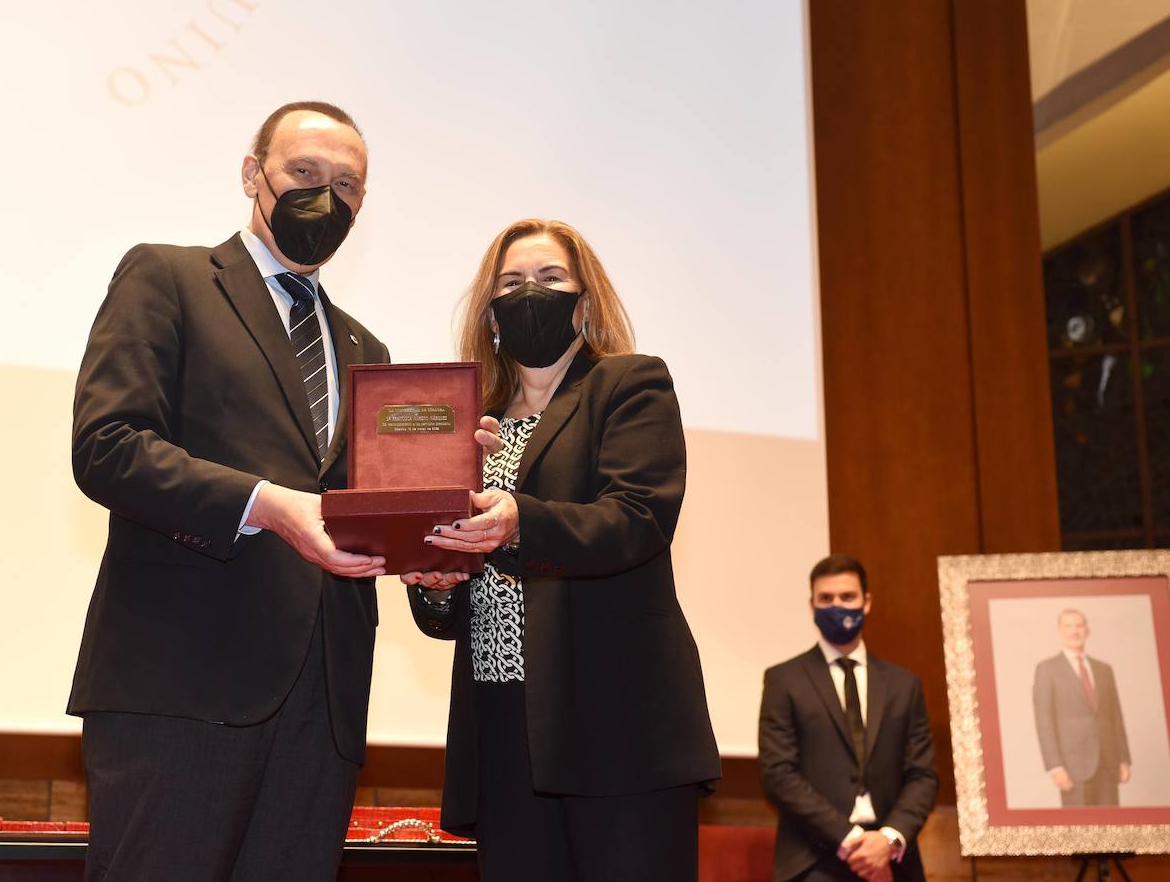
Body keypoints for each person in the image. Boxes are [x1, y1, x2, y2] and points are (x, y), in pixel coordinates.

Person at [68, 101, 392, 881]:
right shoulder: (169, 277)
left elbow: (359, 516)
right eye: (303, 173)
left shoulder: (367, 350)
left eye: (346, 184)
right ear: (254, 174)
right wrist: (268, 504)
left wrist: (439, 508)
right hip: (183, 688)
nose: (325, 196)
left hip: (323, 703)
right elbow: (105, 447)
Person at [402, 218, 720, 882]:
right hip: (504, 726)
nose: (530, 293)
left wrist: (519, 520)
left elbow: (635, 519)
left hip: (614, 725)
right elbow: (456, 591)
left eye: (550, 279)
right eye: (513, 282)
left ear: (585, 303)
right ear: (491, 316)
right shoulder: (471, 425)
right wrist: (436, 579)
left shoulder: (628, 386)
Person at [758, 555, 937, 882]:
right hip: (814, 859)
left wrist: (887, 839)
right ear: (811, 605)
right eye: (826, 598)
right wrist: (853, 840)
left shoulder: (903, 684)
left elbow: (923, 775)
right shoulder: (784, 680)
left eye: (847, 597)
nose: (837, 605)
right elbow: (778, 774)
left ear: (866, 603)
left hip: (894, 858)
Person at [1032, 608, 1132, 806]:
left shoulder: (1104, 670)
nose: (1074, 631)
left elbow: (1115, 717)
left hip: (1108, 764)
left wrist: (1124, 759)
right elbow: (1044, 722)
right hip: (1072, 767)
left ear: (1087, 630)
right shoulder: (1047, 669)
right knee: (1078, 831)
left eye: (1079, 625)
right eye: (1068, 626)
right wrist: (1055, 766)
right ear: (1060, 631)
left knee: (1111, 830)